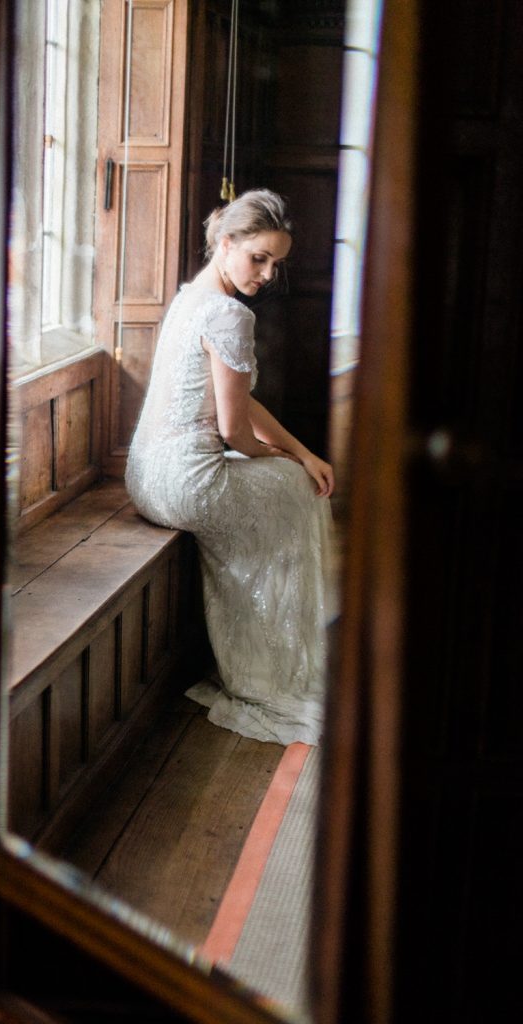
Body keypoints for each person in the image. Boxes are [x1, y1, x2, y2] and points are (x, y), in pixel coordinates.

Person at [125, 188, 337, 745]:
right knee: (296, 491)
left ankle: (264, 647)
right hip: (187, 483)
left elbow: (238, 402)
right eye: (258, 258)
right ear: (226, 243)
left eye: (277, 264)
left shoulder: (191, 296)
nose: (267, 274)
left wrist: (302, 452)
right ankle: (271, 665)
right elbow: (234, 432)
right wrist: (293, 459)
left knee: (293, 475)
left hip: (145, 476)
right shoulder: (229, 314)